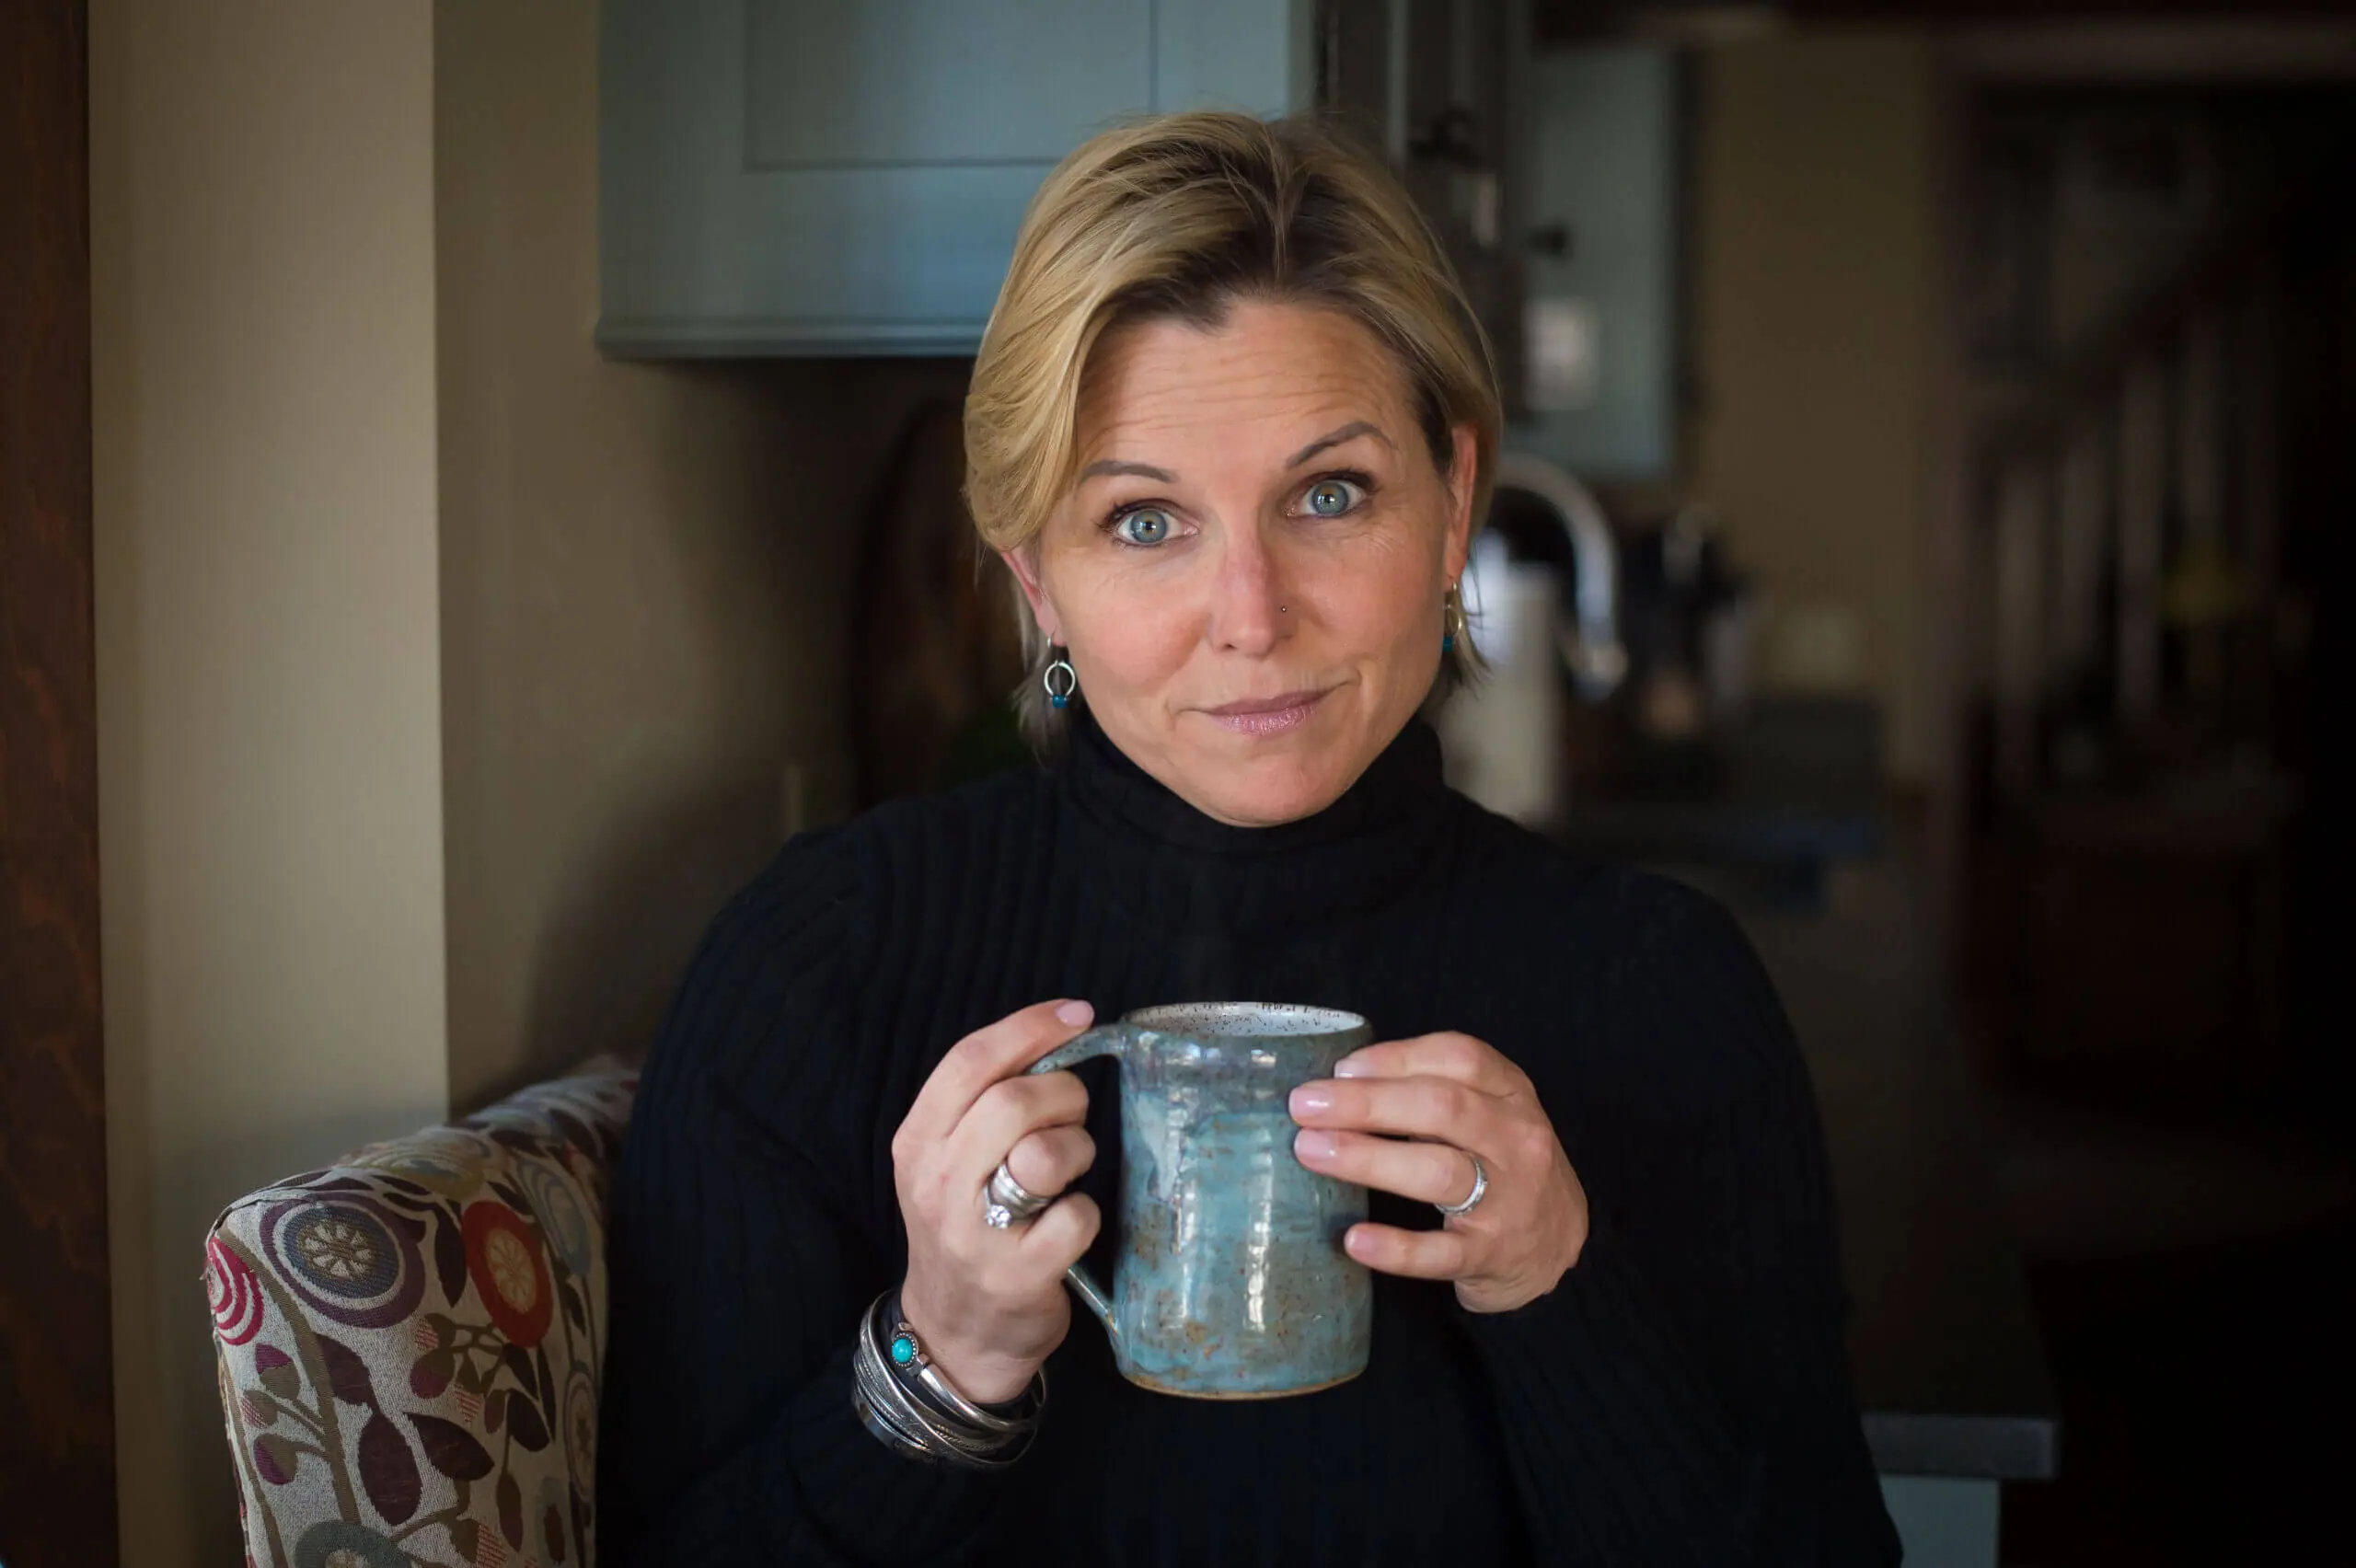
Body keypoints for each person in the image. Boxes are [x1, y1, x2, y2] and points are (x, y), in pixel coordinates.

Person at [599, 110, 1900, 1566]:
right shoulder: (821, 967)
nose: (1254, 617)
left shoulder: (1663, 990)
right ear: (1037, 580)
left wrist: (1558, 1287)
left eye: (1329, 495)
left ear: (1457, 498)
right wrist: (939, 1360)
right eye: (1146, 522)